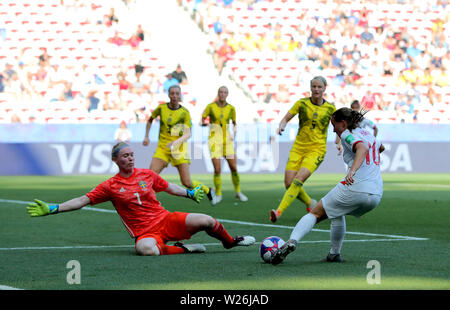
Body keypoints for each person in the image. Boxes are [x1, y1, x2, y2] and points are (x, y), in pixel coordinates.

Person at [26, 142, 255, 256]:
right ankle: (186, 249)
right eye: (125, 156)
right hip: (146, 233)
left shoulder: (147, 174)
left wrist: (190, 193)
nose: (130, 159)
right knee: (146, 250)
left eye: (132, 155)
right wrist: (54, 208)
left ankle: (230, 241)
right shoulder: (110, 186)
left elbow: (169, 187)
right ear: (116, 160)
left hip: (166, 219)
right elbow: (82, 200)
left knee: (207, 220)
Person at [271, 107, 384, 265]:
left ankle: (291, 241)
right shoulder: (369, 134)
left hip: (356, 187)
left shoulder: (346, 134)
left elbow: (362, 148)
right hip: (376, 193)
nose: (333, 129)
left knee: (315, 213)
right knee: (336, 212)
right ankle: (334, 254)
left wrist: (352, 171)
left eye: (334, 125)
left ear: (343, 124)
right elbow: (381, 148)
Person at [270, 76, 336, 223]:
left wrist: (339, 142)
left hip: (316, 150)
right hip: (298, 148)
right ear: (310, 88)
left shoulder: (330, 108)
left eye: (319, 87)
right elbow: (286, 118)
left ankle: (279, 211)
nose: (316, 89)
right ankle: (309, 203)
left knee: (298, 180)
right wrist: (282, 125)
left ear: (325, 88)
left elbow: (338, 127)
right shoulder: (302, 103)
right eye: (314, 86)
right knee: (288, 183)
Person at [143, 85, 217, 205]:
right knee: (150, 177)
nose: (175, 96)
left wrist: (176, 142)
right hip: (163, 148)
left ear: (180, 95)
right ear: (168, 95)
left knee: (187, 182)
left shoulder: (184, 112)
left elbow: (188, 134)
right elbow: (150, 119)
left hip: (179, 149)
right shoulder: (161, 108)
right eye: (172, 93)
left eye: (177, 94)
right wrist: (146, 136)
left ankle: (208, 190)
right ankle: (147, 203)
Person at [201, 86, 248, 204]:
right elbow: (203, 118)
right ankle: (218, 194)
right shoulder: (210, 107)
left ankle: (238, 192)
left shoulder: (231, 108)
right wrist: (205, 124)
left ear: (227, 94)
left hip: (227, 141)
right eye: (221, 92)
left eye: (225, 92)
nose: (222, 94)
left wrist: (234, 134)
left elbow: (235, 123)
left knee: (234, 168)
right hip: (214, 141)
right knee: (217, 169)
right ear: (218, 93)